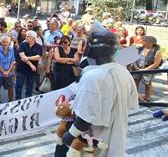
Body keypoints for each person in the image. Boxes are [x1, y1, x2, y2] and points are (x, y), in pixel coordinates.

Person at [59, 23, 139, 157]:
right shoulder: (123, 72)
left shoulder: (93, 76)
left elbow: (85, 117)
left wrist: (69, 135)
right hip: (116, 140)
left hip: (95, 141)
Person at [131, 35, 163, 102]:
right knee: (135, 81)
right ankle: (134, 96)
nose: (142, 41)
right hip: (137, 68)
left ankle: (147, 97)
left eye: (144, 40)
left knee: (147, 83)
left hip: (148, 69)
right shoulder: (140, 48)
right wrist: (136, 66)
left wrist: (145, 69)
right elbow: (133, 58)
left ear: (150, 42)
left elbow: (156, 63)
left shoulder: (157, 51)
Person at [15, 30, 43, 99]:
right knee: (19, 85)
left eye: (28, 36)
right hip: (22, 68)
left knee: (30, 86)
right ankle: (18, 99)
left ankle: (28, 99)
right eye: (26, 36)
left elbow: (38, 57)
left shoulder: (39, 47)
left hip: (31, 71)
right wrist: (31, 64)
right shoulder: (23, 44)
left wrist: (27, 58)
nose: (26, 37)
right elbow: (22, 56)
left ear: (33, 38)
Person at [0, 36, 15, 103]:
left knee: (11, 88)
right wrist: (3, 72)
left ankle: (10, 101)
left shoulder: (11, 50)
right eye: (3, 42)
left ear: (9, 43)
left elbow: (13, 61)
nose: (5, 43)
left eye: (6, 42)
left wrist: (8, 71)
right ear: (1, 43)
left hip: (9, 73)